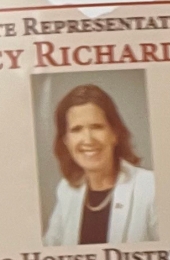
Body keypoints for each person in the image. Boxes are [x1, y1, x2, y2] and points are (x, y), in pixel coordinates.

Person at [42, 83, 157, 247]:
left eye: (97, 127)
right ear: (66, 140)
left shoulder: (150, 188)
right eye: (76, 129)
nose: (88, 140)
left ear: (115, 133)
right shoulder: (66, 190)